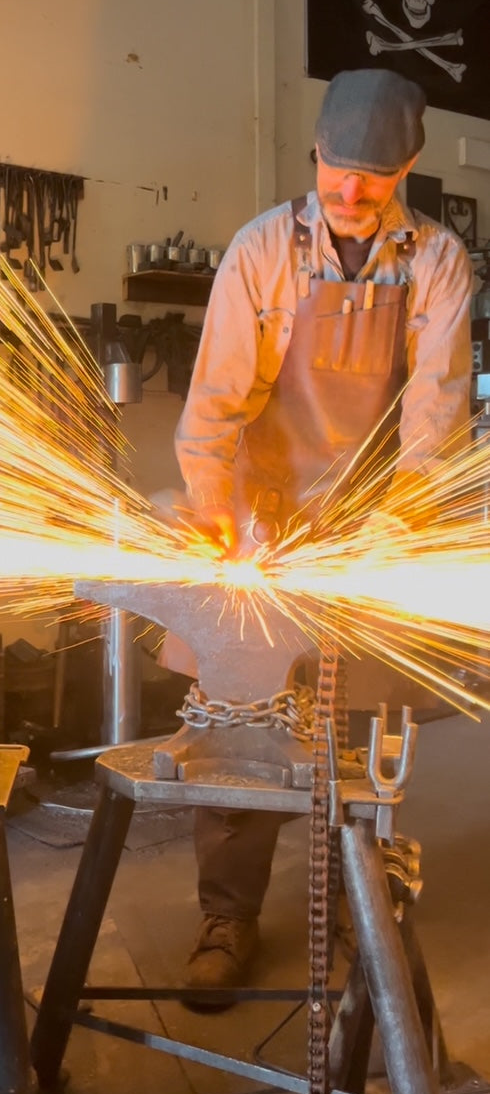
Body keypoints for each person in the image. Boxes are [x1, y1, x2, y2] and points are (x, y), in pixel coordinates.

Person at [165, 67, 473, 1002]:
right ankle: (228, 916)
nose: (350, 194)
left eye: (372, 180)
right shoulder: (263, 250)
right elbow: (213, 406)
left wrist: (395, 526)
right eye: (337, 171)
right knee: (238, 726)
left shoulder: (436, 261)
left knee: (362, 730)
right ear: (315, 154)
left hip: (371, 521)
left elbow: (435, 413)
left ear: (408, 169)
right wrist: (221, 518)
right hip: (262, 512)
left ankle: (358, 903)